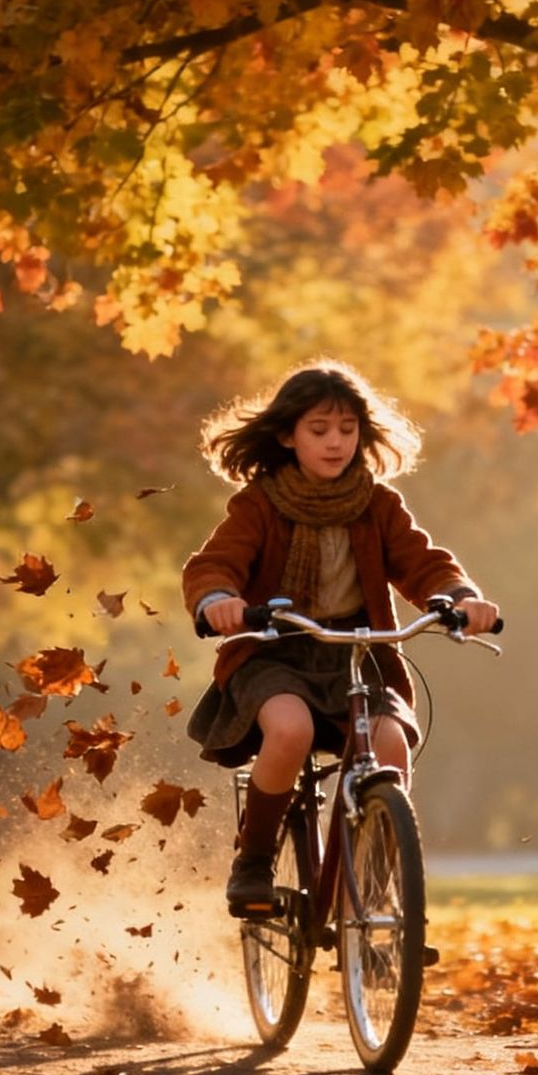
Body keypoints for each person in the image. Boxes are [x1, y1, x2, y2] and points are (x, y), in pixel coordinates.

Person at [182, 361, 500, 915]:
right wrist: (219, 601)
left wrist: (459, 597)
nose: (335, 443)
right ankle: (253, 861)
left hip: (359, 654)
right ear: (287, 435)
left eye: (348, 430)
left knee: (392, 744)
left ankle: (374, 890)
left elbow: (423, 563)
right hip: (275, 651)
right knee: (289, 730)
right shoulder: (259, 503)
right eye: (319, 430)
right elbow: (217, 563)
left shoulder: (378, 504)